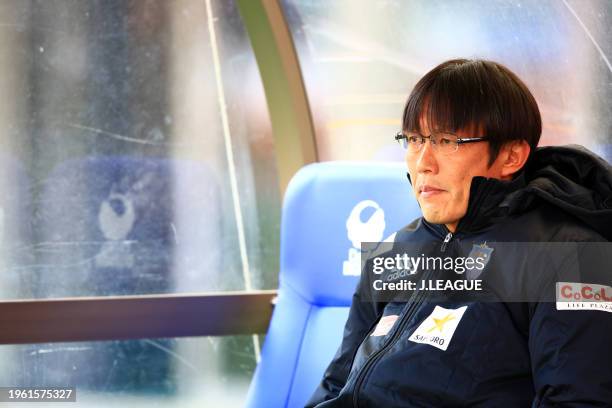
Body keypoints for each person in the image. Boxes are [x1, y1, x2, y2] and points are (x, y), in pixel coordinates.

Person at [306, 59, 612, 407]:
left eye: (447, 140)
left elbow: (578, 400)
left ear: (511, 156)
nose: (423, 162)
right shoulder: (395, 251)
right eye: (414, 139)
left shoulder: (572, 257)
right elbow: (335, 385)